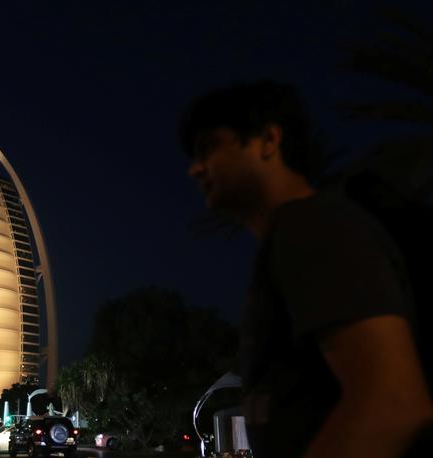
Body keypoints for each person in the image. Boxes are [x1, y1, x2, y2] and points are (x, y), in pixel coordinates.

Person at [180, 80, 433, 458]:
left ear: (268, 140)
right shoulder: (295, 235)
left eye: (208, 147)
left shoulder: (312, 226)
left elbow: (393, 402)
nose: (195, 170)